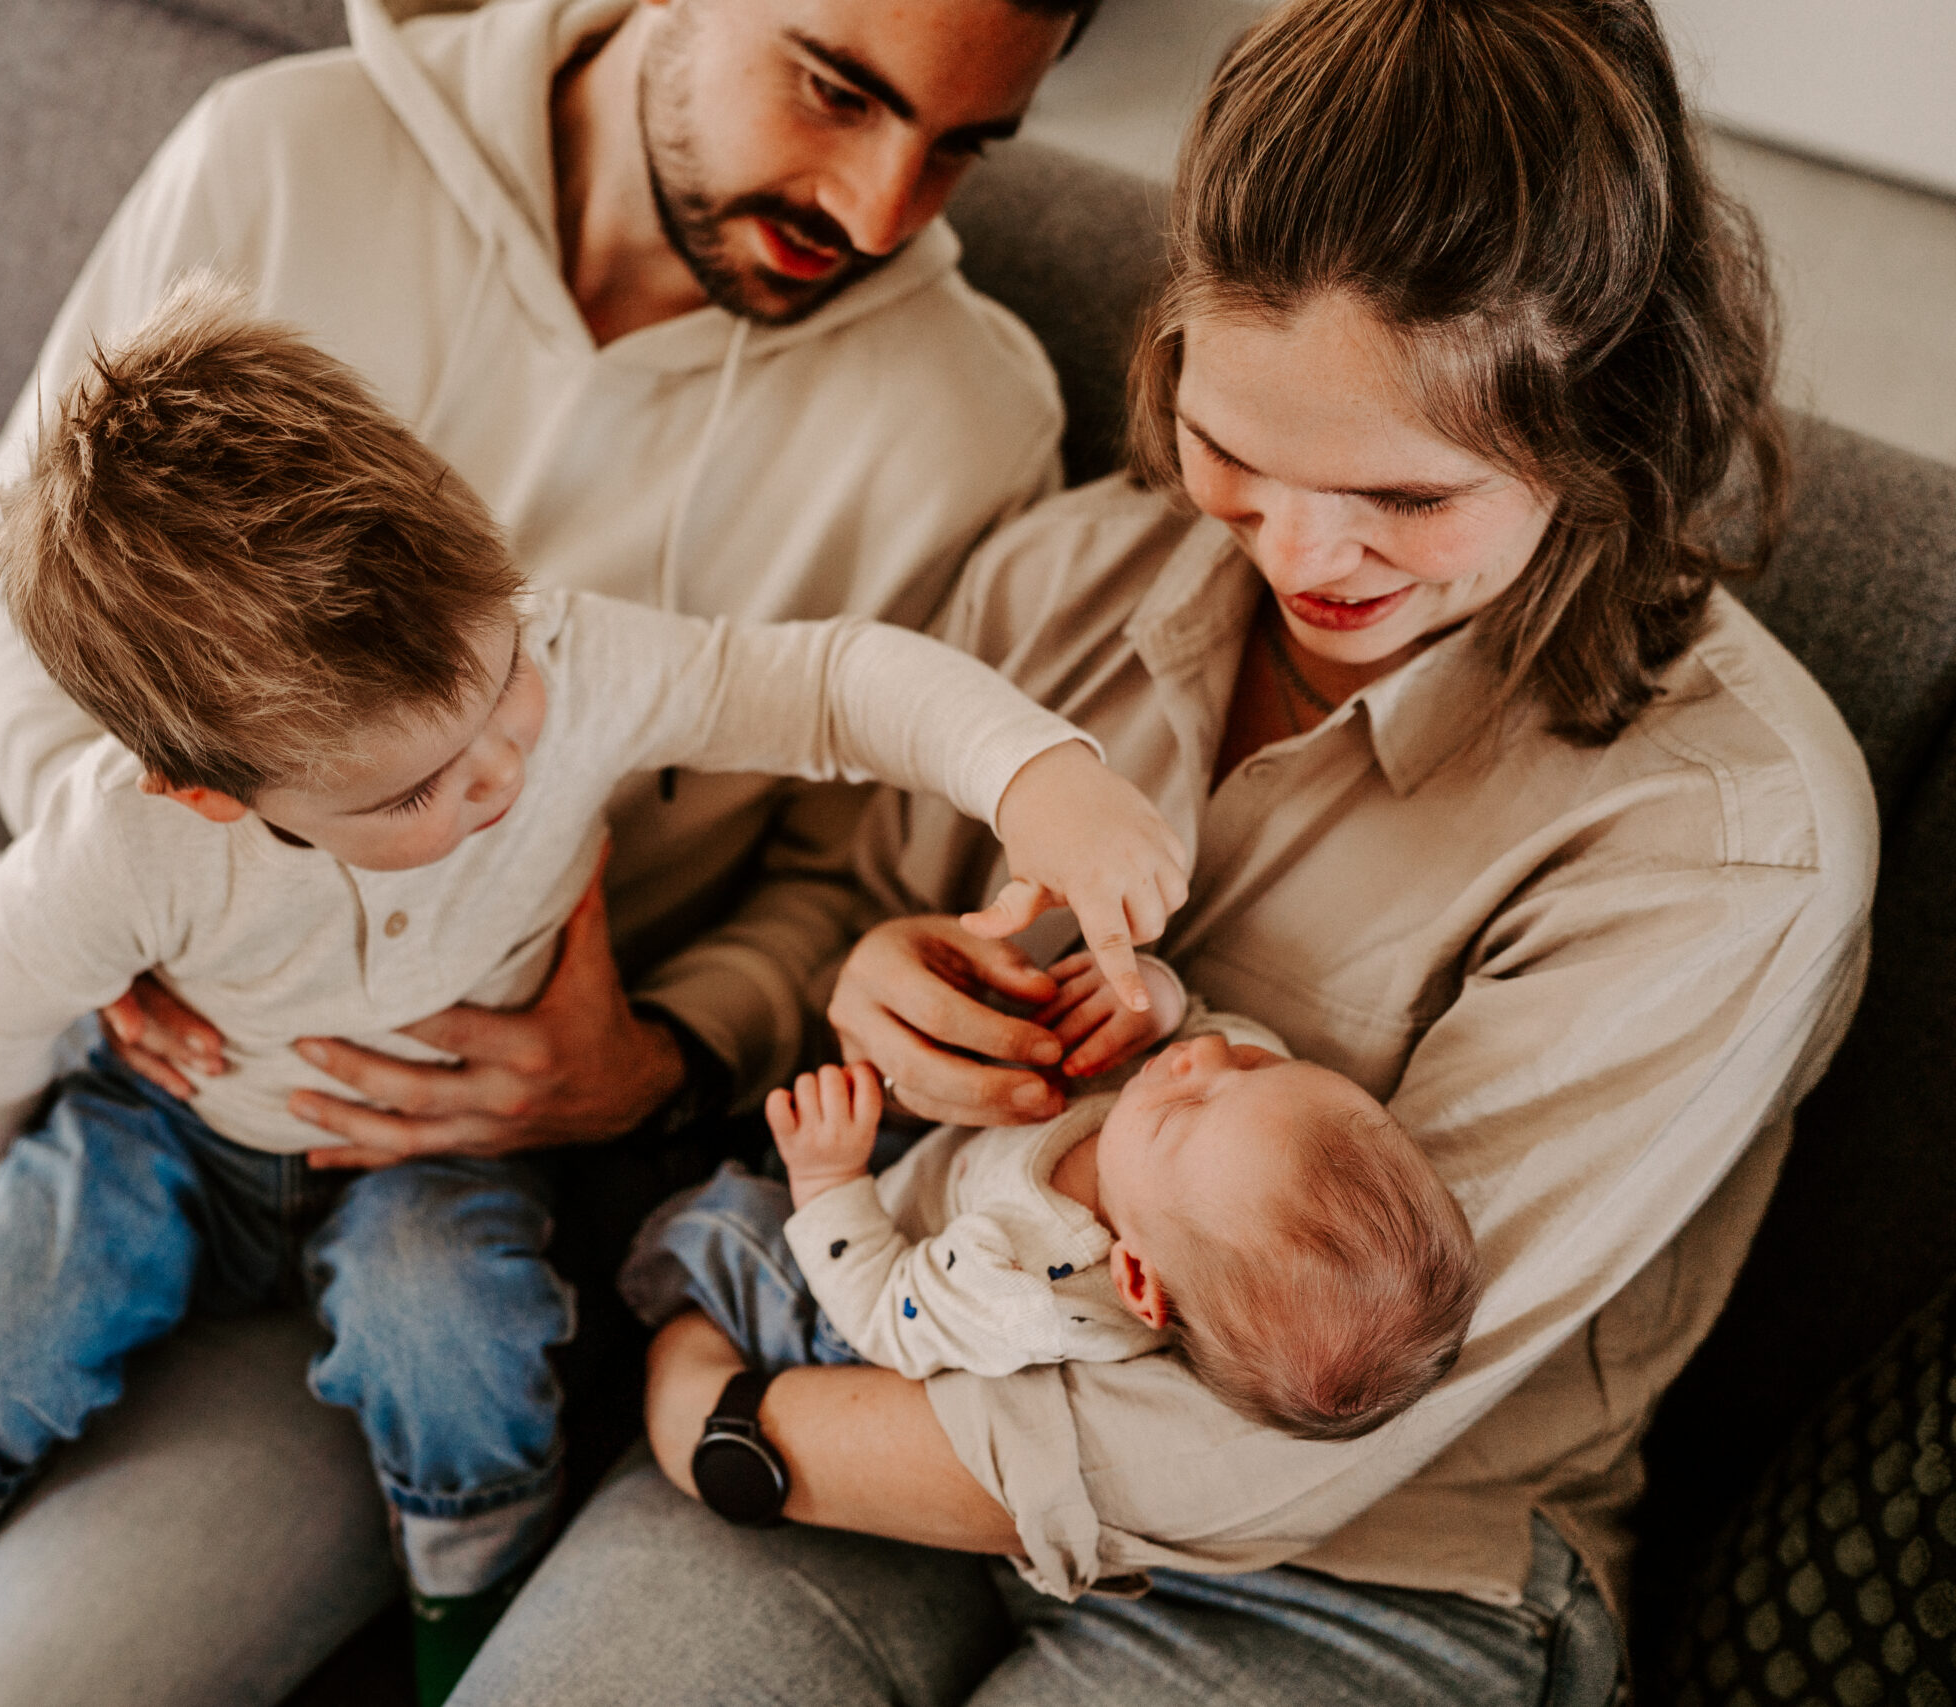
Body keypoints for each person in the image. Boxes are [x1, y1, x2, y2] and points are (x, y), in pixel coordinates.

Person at [0, 0, 1105, 1702]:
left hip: (450, 1144)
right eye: (835, 89)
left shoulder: (965, 417)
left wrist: (648, 1058)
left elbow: (858, 878)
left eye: (964, 145)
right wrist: (132, 884)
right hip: (106, 961)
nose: (884, 209)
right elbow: (29, 563)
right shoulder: (286, 155)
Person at [449, 1, 1879, 1702]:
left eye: (1407, 501)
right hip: (920, 1326)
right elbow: (839, 889)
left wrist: (732, 1420)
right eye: (1232, 454)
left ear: (1600, 425)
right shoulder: (1071, 578)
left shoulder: (1723, 828)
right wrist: (873, 977)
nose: (1303, 554)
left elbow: (1310, 1435)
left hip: (1348, 1570)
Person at [0, 281, 1179, 1699]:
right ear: (207, 789)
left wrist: (1038, 772)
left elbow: (831, 684)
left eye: (503, 681)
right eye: (414, 785)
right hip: (175, 1132)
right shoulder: (123, 844)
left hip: (439, 1150)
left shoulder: (574, 653)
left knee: (462, 1347)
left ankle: (454, 1618)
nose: (497, 771)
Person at [620, 957, 1481, 1477]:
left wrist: (829, 1178)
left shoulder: (1027, 1284)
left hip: (873, 1283)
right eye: (1258, 1064)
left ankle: (631, 1300)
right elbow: (1218, 1028)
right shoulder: (1216, 1150)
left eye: (1188, 1103)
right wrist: (1157, 993)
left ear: (1135, 1275)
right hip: (930, 1162)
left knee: (721, 1225)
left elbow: (886, 1313)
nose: (1201, 1056)